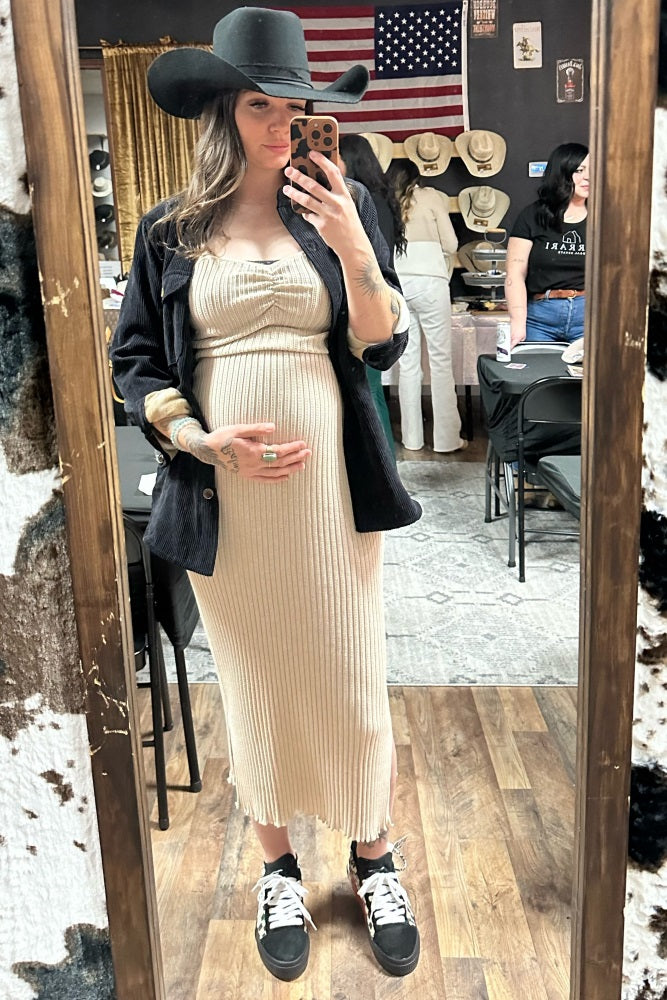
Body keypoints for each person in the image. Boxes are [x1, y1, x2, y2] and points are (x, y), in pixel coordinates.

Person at [110, 7, 422, 984]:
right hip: (228, 501)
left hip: (331, 491)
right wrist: (197, 438)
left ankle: (374, 858)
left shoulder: (343, 201)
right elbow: (135, 361)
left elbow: (382, 342)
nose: (283, 123)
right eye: (260, 106)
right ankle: (278, 869)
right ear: (222, 112)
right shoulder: (170, 230)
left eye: (295, 106)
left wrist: (353, 245)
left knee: (352, 678)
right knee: (253, 688)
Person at [385, 158, 466, 453]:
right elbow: (451, 244)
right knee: (441, 362)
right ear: (417, 178)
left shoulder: (385, 202)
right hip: (431, 282)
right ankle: (447, 440)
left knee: (407, 364)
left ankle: (412, 439)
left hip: (398, 284)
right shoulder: (431, 197)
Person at [339, 133, 406, 455]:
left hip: (362, 304)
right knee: (371, 392)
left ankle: (384, 467)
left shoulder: (359, 203)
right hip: (376, 300)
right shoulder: (382, 200)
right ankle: (385, 465)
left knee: (369, 393)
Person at [505, 142, 589, 347]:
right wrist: (517, 322)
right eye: (579, 170)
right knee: (538, 368)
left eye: (592, 170)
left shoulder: (604, 216)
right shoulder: (532, 215)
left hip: (588, 317)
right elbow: (515, 273)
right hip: (540, 319)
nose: (588, 177)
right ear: (561, 173)